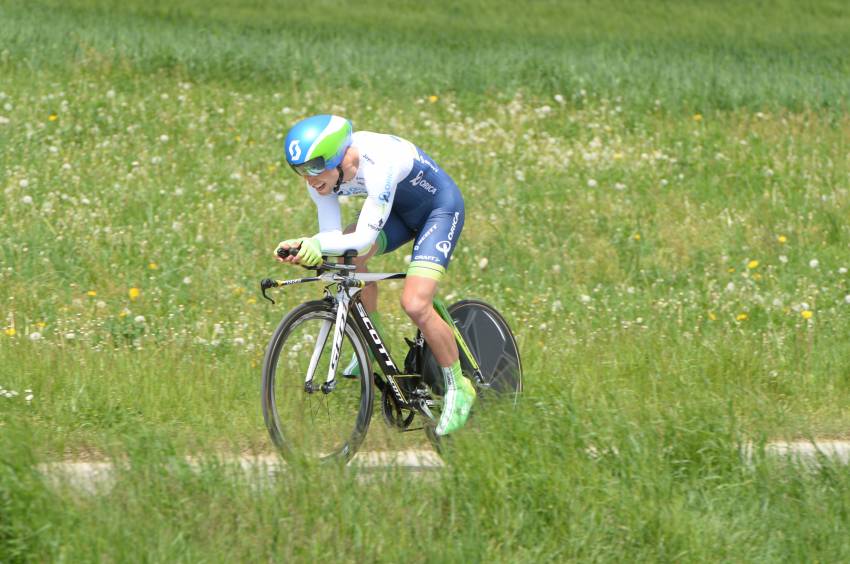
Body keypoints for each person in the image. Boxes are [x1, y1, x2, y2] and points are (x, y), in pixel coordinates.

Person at [274, 114, 474, 436]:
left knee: (415, 303)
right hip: (395, 212)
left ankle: (459, 387)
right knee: (343, 260)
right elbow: (335, 240)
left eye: (313, 167)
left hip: (438, 211)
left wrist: (316, 243)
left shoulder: (379, 161)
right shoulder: (323, 180)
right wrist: (305, 247)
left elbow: (363, 238)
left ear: (337, 156)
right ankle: (369, 342)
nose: (308, 179)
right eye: (299, 170)